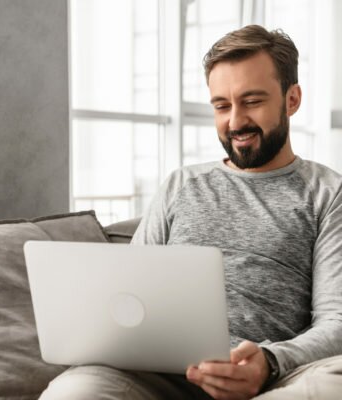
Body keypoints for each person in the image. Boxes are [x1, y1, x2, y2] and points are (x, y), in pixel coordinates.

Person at [40, 25, 342, 400]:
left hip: (274, 379)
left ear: (292, 99)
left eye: (252, 101)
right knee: (76, 390)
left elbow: (337, 322)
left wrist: (269, 361)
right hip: (163, 374)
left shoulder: (328, 193)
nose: (235, 122)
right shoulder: (180, 185)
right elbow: (126, 293)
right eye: (221, 106)